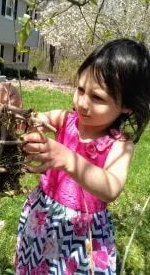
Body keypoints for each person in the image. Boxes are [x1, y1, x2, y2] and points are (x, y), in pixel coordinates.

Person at [14, 39, 150, 274]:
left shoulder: (119, 144)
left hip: (82, 237)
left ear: (126, 105)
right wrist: (19, 111)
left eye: (97, 98)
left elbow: (111, 187)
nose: (82, 103)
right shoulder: (65, 120)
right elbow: (30, 122)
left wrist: (68, 159)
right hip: (43, 219)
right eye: (80, 89)